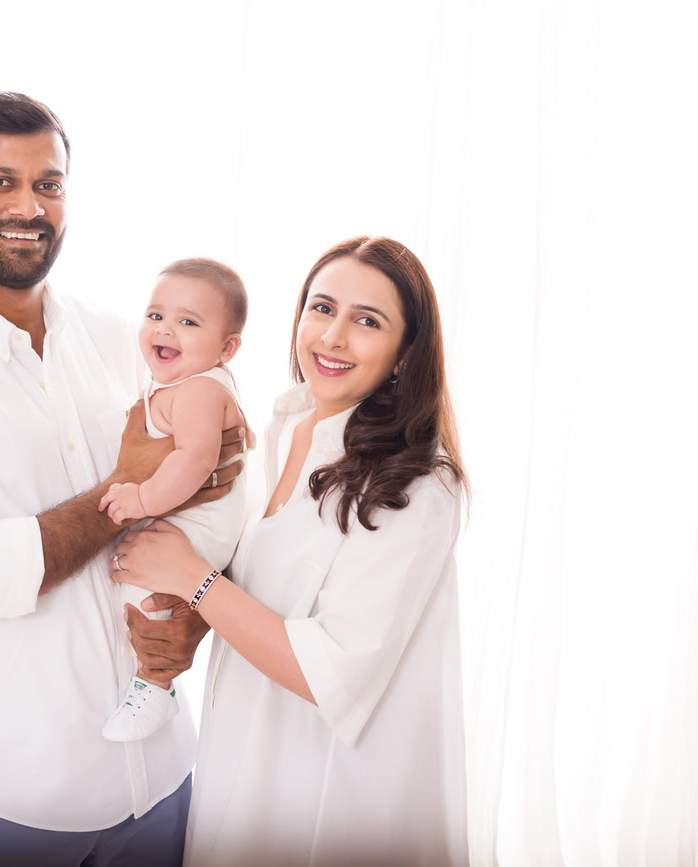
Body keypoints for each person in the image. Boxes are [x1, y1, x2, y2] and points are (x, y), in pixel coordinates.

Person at [0, 92, 246, 867]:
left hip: (161, 781)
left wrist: (198, 616)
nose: (29, 205)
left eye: (50, 185)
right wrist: (121, 495)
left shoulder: (125, 341)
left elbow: (211, 492)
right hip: (6, 801)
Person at [112, 236, 470, 865]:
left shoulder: (416, 484)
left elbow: (329, 670)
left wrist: (193, 578)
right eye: (321, 307)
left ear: (404, 352)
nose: (332, 337)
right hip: (245, 770)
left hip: (340, 804)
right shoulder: (286, 429)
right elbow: (261, 596)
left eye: (367, 321)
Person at [97, 258, 250, 742]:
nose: (166, 330)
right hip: (189, 523)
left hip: (199, 531)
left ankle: (155, 685)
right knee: (135, 582)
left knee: (147, 590)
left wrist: (142, 497)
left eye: (188, 322)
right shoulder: (178, 385)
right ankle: (145, 682)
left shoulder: (201, 389)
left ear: (226, 348)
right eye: (156, 314)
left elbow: (197, 458)